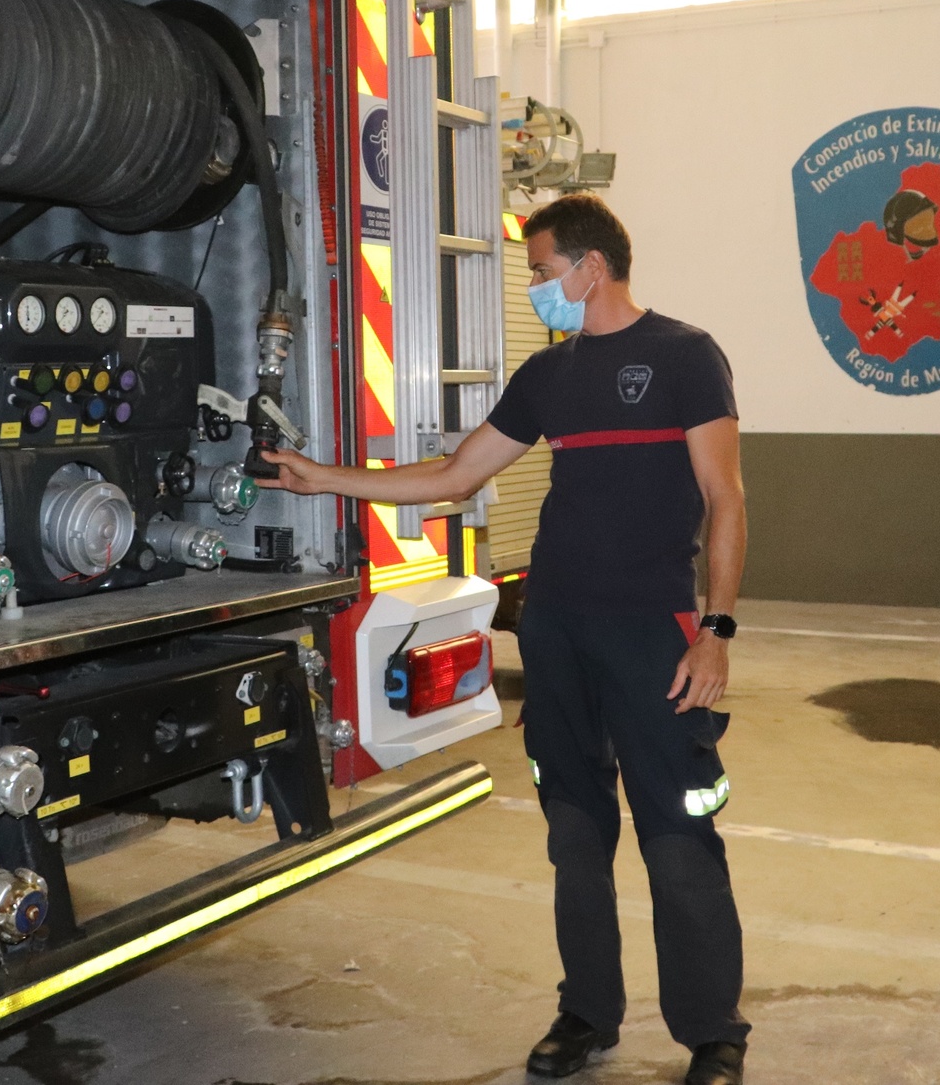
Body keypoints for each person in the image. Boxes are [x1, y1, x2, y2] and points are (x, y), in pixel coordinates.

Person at [260, 193, 752, 1085]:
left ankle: (713, 1032)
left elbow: (726, 497)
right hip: (559, 632)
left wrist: (714, 629)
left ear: (590, 267)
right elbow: (454, 475)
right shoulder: (547, 378)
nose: (536, 289)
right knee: (574, 834)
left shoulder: (685, 356)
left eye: (539, 270)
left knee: (679, 838)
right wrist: (321, 479)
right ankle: (587, 1013)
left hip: (654, 635)